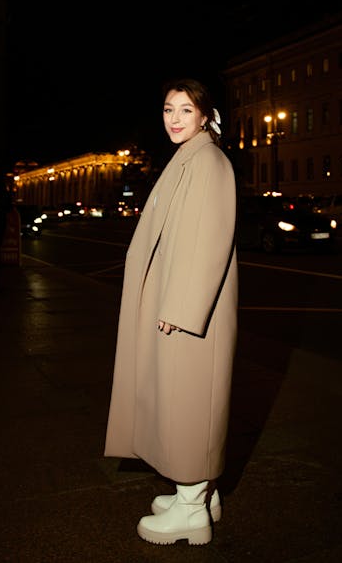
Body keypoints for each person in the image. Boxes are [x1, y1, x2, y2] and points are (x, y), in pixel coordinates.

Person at [104, 78, 238, 546]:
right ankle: (200, 494)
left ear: (205, 115)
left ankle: (191, 509)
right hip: (174, 302)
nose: (175, 118)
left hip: (185, 310)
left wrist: (180, 307)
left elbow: (208, 242)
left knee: (188, 400)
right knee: (181, 397)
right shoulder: (191, 157)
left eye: (185, 109)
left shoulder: (208, 161)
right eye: (168, 109)